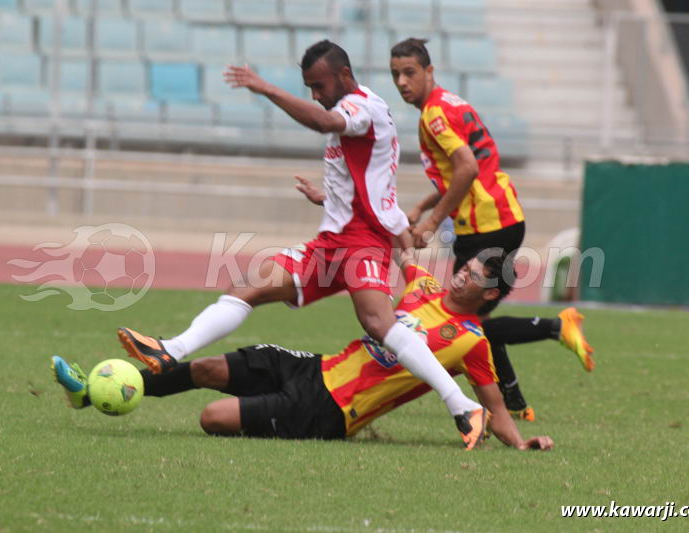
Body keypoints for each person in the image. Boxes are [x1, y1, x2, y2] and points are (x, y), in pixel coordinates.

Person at [116, 40, 487, 446]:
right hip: (332, 243)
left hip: (362, 242)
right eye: (308, 87)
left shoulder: (363, 107)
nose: (315, 95)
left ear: (344, 76)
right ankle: (170, 348)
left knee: (379, 323)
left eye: (319, 85)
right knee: (247, 287)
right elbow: (369, 182)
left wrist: (268, 89)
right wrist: (330, 198)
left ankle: (462, 406)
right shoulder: (352, 110)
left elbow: (326, 124)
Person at [52, 251, 561, 451]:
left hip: (329, 411)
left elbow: (493, 408)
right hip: (315, 366)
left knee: (211, 418)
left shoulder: (473, 341)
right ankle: (91, 394)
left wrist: (520, 443)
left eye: (474, 276)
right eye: (466, 265)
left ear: (491, 293)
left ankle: (108, 391)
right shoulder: (423, 284)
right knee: (206, 367)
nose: (463, 274)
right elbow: (395, 240)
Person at [388, 38, 595, 420]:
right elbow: (464, 171)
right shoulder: (451, 103)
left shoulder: (433, 115)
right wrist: (423, 206)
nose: (402, 82)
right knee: (473, 323)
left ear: (429, 72)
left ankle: (555, 327)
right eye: (396, 74)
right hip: (501, 217)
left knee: (469, 326)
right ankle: (514, 403)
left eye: (410, 73)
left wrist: (433, 222)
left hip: (485, 226)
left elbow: (466, 169)